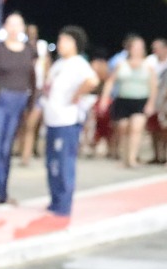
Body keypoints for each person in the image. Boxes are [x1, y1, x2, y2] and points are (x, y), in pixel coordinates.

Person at [0, 12, 37, 201]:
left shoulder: (30, 50)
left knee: (6, 148)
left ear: (22, 28)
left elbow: (34, 77)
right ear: (5, 27)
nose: (13, 29)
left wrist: (32, 101)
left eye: (17, 25)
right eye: (10, 24)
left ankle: (3, 191)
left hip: (19, 99)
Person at [41, 26, 99, 217]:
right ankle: (55, 199)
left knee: (64, 162)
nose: (61, 44)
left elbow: (93, 81)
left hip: (67, 120)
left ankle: (64, 203)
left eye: (65, 41)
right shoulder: (59, 64)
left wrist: (77, 94)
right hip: (52, 118)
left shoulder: (78, 63)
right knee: (51, 162)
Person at [106, 34, 154, 167]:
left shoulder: (148, 65)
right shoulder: (121, 64)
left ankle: (132, 158)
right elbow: (110, 81)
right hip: (123, 100)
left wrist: (151, 103)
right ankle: (124, 156)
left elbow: (153, 86)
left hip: (140, 100)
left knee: (136, 129)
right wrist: (106, 98)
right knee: (123, 128)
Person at [17, 23, 49, 167]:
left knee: (32, 124)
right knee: (23, 124)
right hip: (24, 89)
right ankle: (22, 150)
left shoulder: (42, 46)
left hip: (38, 89)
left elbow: (47, 65)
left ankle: (27, 155)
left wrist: (46, 85)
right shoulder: (21, 47)